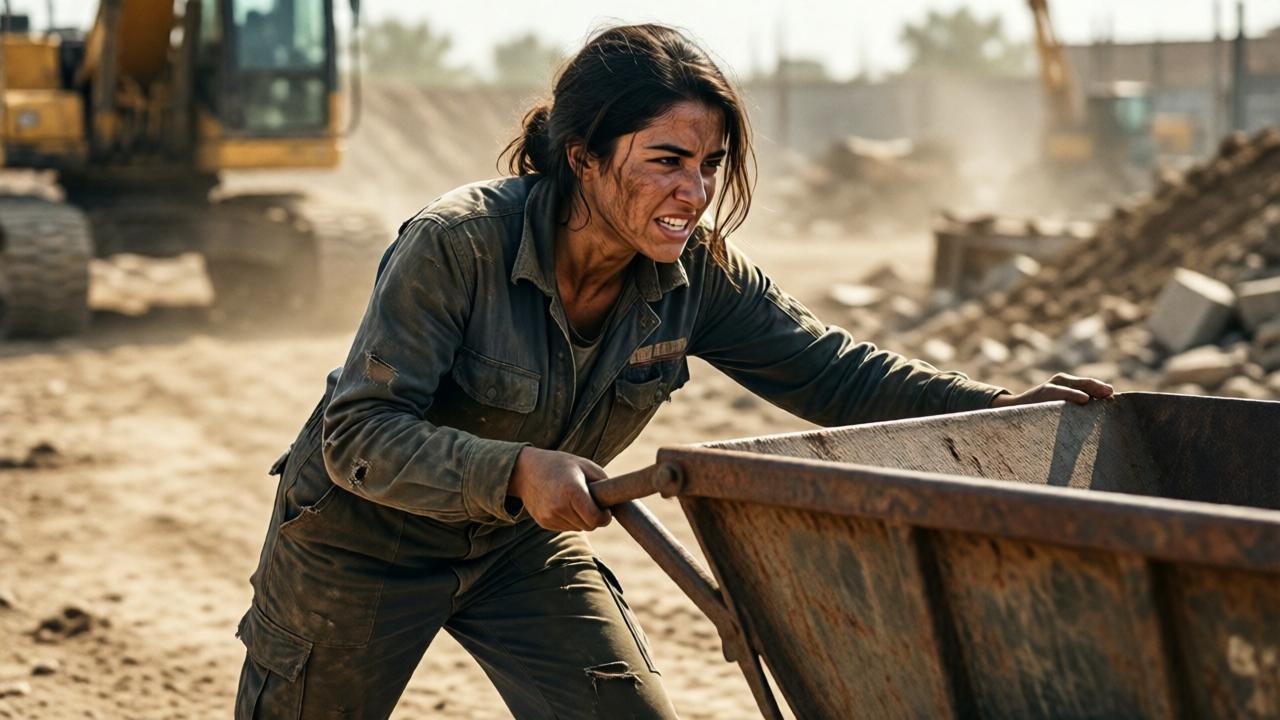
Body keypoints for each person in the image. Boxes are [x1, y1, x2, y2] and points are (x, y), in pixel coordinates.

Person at [234, 23, 1113, 719]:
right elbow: (358, 434)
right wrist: (516, 470)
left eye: (709, 165)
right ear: (582, 154)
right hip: (360, 547)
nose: (693, 192)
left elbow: (836, 375)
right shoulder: (457, 243)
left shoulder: (699, 276)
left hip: (513, 550)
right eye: (666, 160)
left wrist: (997, 409)